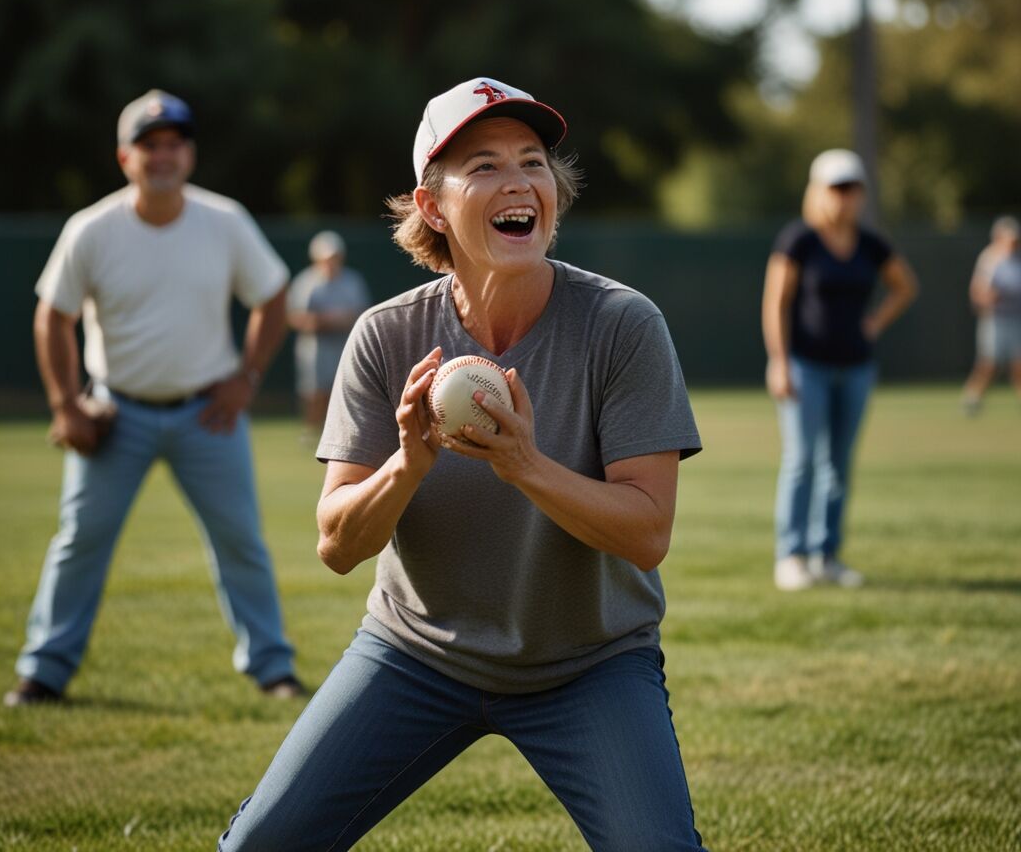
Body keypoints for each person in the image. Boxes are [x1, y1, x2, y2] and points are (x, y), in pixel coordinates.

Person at [218, 78, 707, 851]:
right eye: (483, 166)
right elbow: (338, 546)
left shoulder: (623, 324)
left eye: (533, 161)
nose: (518, 181)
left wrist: (525, 465)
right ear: (433, 205)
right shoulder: (386, 336)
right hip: (415, 656)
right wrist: (407, 464)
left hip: (590, 663)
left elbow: (647, 535)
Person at [4, 89, 304, 707]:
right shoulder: (91, 229)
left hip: (208, 414)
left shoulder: (224, 221)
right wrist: (65, 405)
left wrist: (246, 378)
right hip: (116, 413)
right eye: (150, 145)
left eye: (174, 144)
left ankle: (272, 669)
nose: (163, 156)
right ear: (124, 158)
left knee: (241, 540)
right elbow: (51, 317)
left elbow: (273, 295)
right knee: (79, 541)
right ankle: (44, 672)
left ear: (189, 155)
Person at [762, 149, 918, 592]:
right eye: (837, 187)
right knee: (802, 460)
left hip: (855, 368)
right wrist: (779, 361)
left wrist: (874, 323)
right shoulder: (800, 240)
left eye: (853, 188)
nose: (846, 197)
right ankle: (791, 556)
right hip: (805, 365)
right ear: (818, 191)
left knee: (839, 465)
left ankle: (826, 555)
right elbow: (776, 302)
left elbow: (905, 286)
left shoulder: (871, 244)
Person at [287, 230, 371, 434]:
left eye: (334, 257)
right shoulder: (305, 283)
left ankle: (340, 432)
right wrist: (321, 322)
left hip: (346, 345)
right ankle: (312, 431)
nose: (331, 262)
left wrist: (342, 320)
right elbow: (294, 316)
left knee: (345, 390)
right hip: (315, 347)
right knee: (314, 392)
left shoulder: (352, 281)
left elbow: (362, 312)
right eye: (326, 258)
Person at [961, 214, 1021, 414]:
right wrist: (989, 298)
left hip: (1017, 318)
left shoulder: (1018, 259)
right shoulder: (990, 258)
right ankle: (972, 397)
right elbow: (978, 292)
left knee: (1018, 363)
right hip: (995, 319)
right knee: (989, 363)